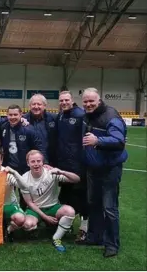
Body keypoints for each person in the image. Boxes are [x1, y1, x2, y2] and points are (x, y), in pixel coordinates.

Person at [77, 88, 128, 258]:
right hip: (93, 169)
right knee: (94, 204)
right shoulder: (87, 115)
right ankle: (94, 237)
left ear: (99, 100)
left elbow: (119, 140)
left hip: (109, 170)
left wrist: (98, 140)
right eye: (85, 101)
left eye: (91, 101)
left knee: (109, 208)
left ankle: (112, 244)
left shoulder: (111, 115)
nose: (88, 104)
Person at [21, 150, 80, 252]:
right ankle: (37, 227)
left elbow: (77, 179)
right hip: (35, 209)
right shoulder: (24, 178)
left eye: (38, 161)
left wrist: (61, 172)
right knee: (27, 224)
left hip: (53, 207)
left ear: (43, 162)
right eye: (33, 161)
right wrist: (45, 217)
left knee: (70, 211)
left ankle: (56, 238)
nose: (36, 164)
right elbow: (29, 202)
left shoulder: (51, 173)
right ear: (28, 163)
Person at [56, 91, 88, 242]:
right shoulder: (61, 115)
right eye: (61, 100)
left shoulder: (81, 115)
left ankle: (84, 229)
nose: (64, 102)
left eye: (66, 100)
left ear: (72, 100)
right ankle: (67, 227)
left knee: (81, 197)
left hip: (78, 165)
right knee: (65, 197)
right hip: (64, 164)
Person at [0, 150, 28, 242]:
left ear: (1, 161)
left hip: (9, 205)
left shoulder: (7, 173)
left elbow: (24, 186)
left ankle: (8, 230)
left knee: (20, 219)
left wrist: (14, 172)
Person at [23, 94, 57, 165]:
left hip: (51, 158)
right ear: (29, 106)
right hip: (30, 160)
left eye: (39, 104)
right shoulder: (23, 119)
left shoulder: (54, 118)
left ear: (44, 106)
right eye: (33, 104)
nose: (36, 107)